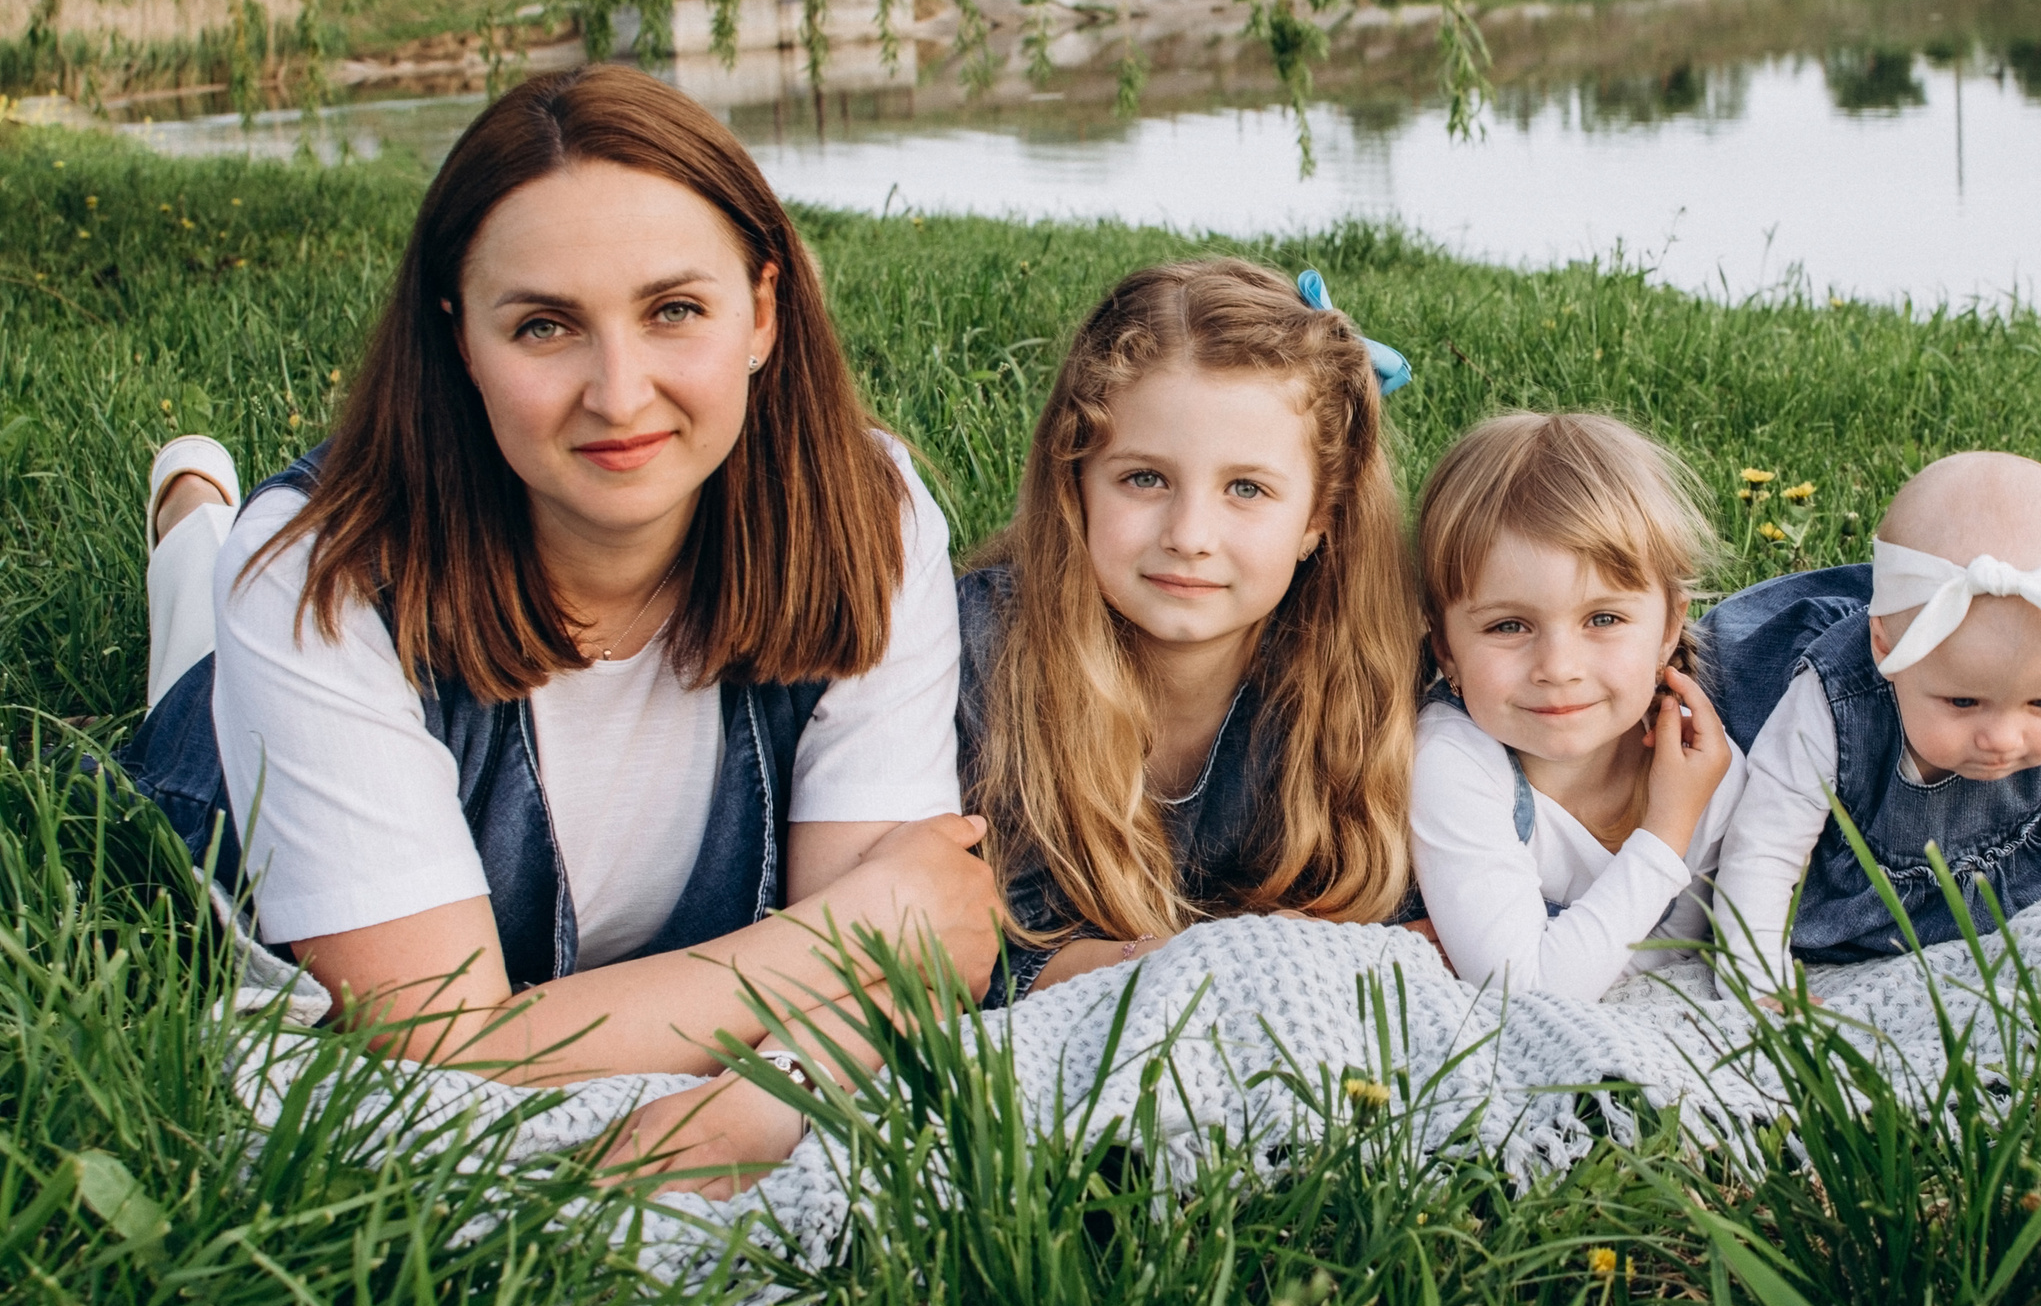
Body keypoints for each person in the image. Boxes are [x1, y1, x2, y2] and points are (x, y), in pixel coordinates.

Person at [124, 65, 999, 1196]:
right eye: (545, 326)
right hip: (233, 759)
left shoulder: (863, 515)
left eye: (674, 309)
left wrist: (761, 1094)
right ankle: (195, 534)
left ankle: (196, 532)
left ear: (763, 312)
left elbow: (905, 975)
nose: (619, 392)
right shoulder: (318, 578)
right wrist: (843, 938)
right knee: (207, 644)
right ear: (460, 342)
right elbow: (432, 1047)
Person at [958, 260, 1418, 1003]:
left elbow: (1420, 929)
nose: (1190, 535)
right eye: (1145, 478)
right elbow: (986, 964)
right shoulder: (982, 655)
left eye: (1246, 488)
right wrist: (1249, 964)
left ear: (1319, 518)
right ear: (1075, 479)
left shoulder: (1363, 672)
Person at [1707, 450, 2041, 990]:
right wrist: (1756, 984)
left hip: (1991, 890)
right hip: (1846, 895)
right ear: (1885, 649)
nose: (2004, 739)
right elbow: (1764, 848)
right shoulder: (1831, 700)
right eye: (1964, 703)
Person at [1407, 412, 1738, 1001]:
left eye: (1603, 619)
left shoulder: (1703, 766)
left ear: (1669, 629)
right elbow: (1527, 992)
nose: (1558, 667)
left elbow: (1700, 947)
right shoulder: (1451, 760)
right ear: (1445, 650)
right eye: (1509, 626)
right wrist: (1665, 833)